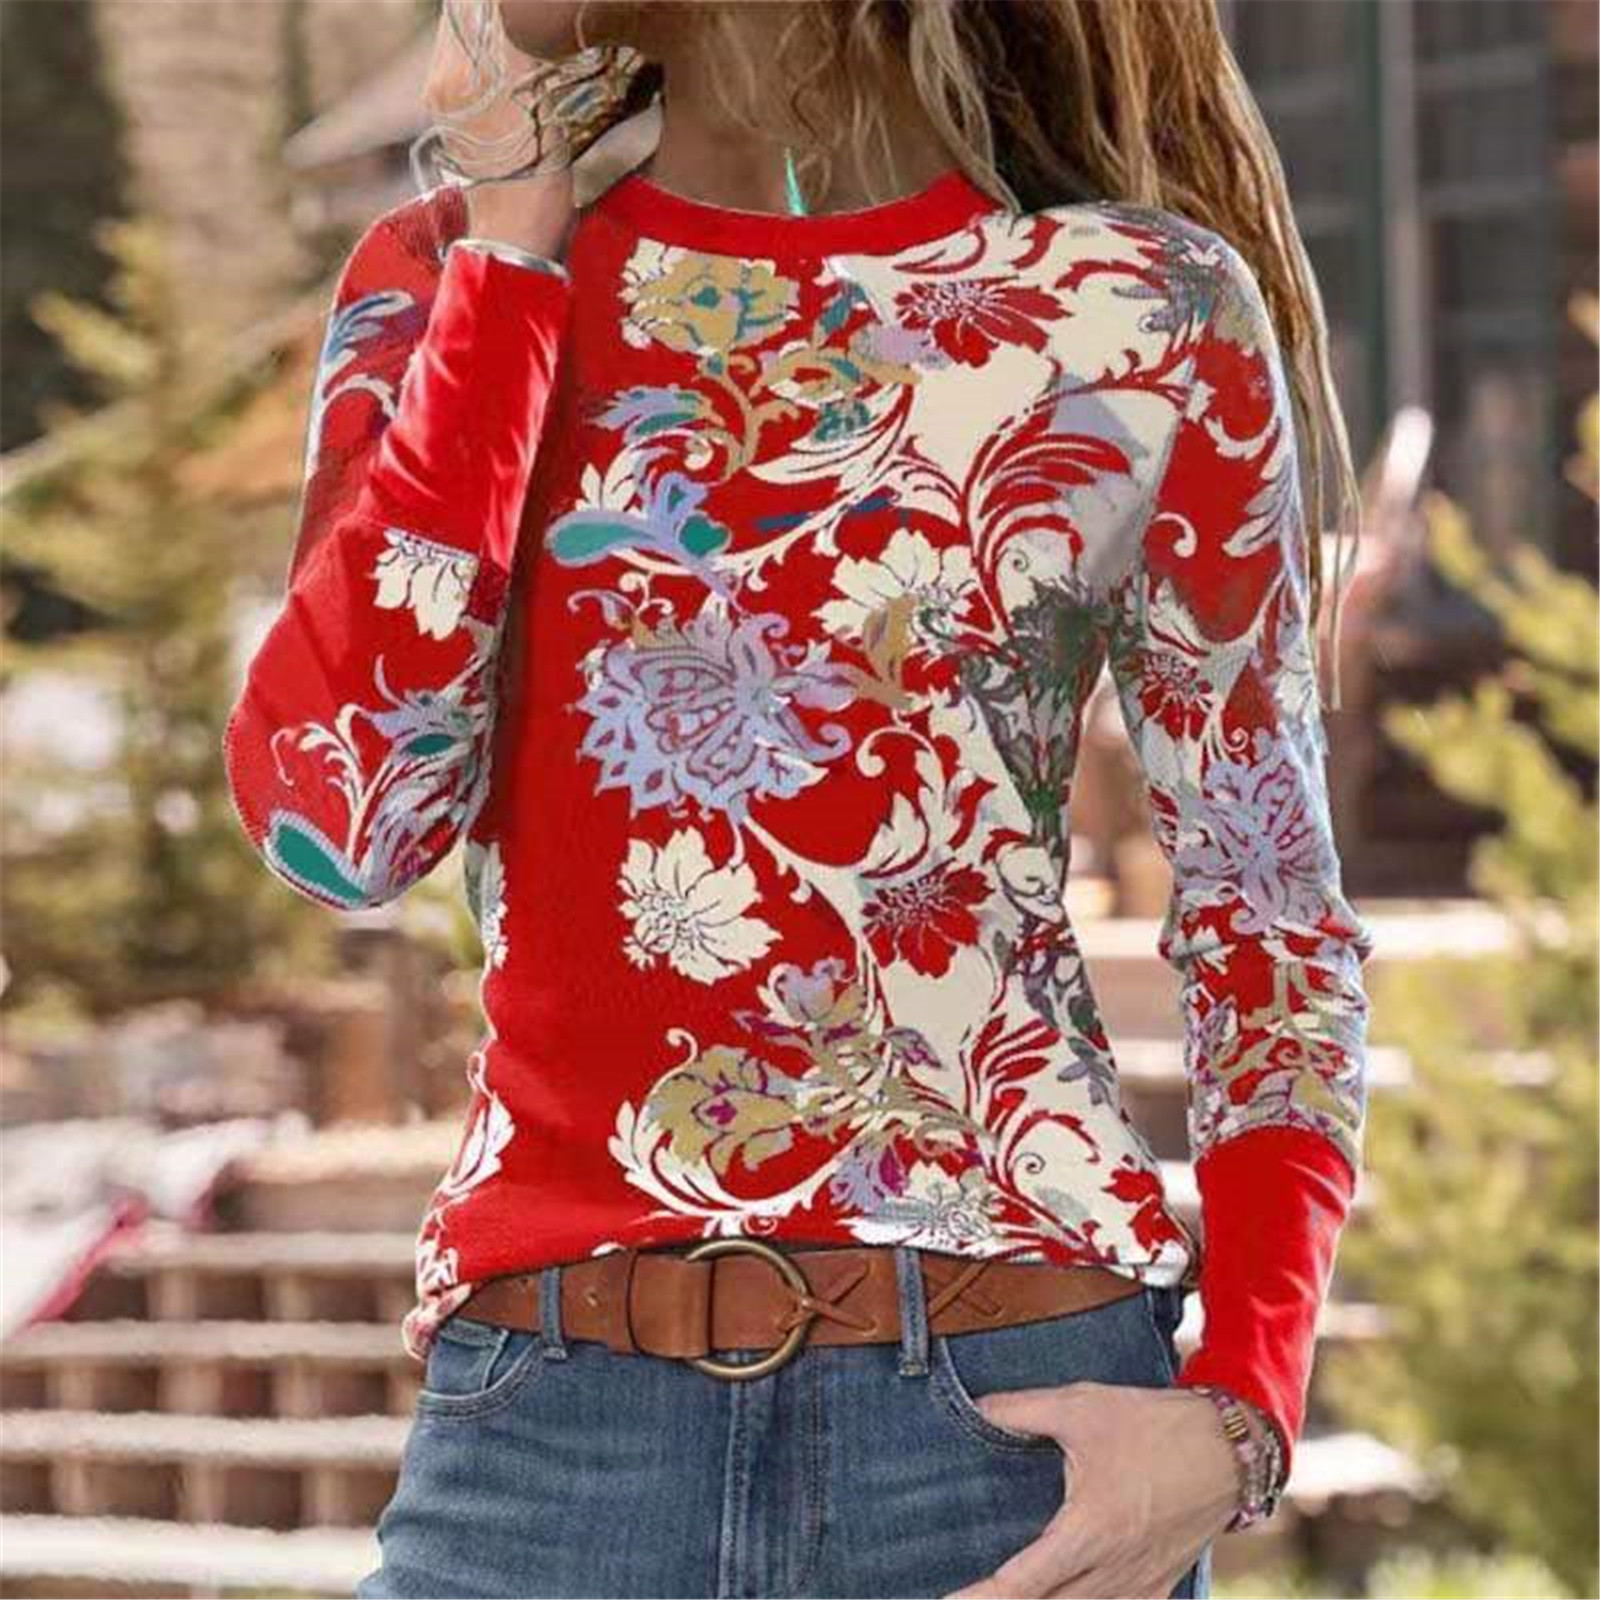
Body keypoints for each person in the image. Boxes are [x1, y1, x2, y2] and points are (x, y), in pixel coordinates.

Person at [222, 2, 1375, 1595]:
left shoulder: (1135, 311)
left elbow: (1268, 907)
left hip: (1006, 1438)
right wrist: (510, 268)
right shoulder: (444, 282)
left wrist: (1245, 1405)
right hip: (550, 1435)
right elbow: (343, 824)